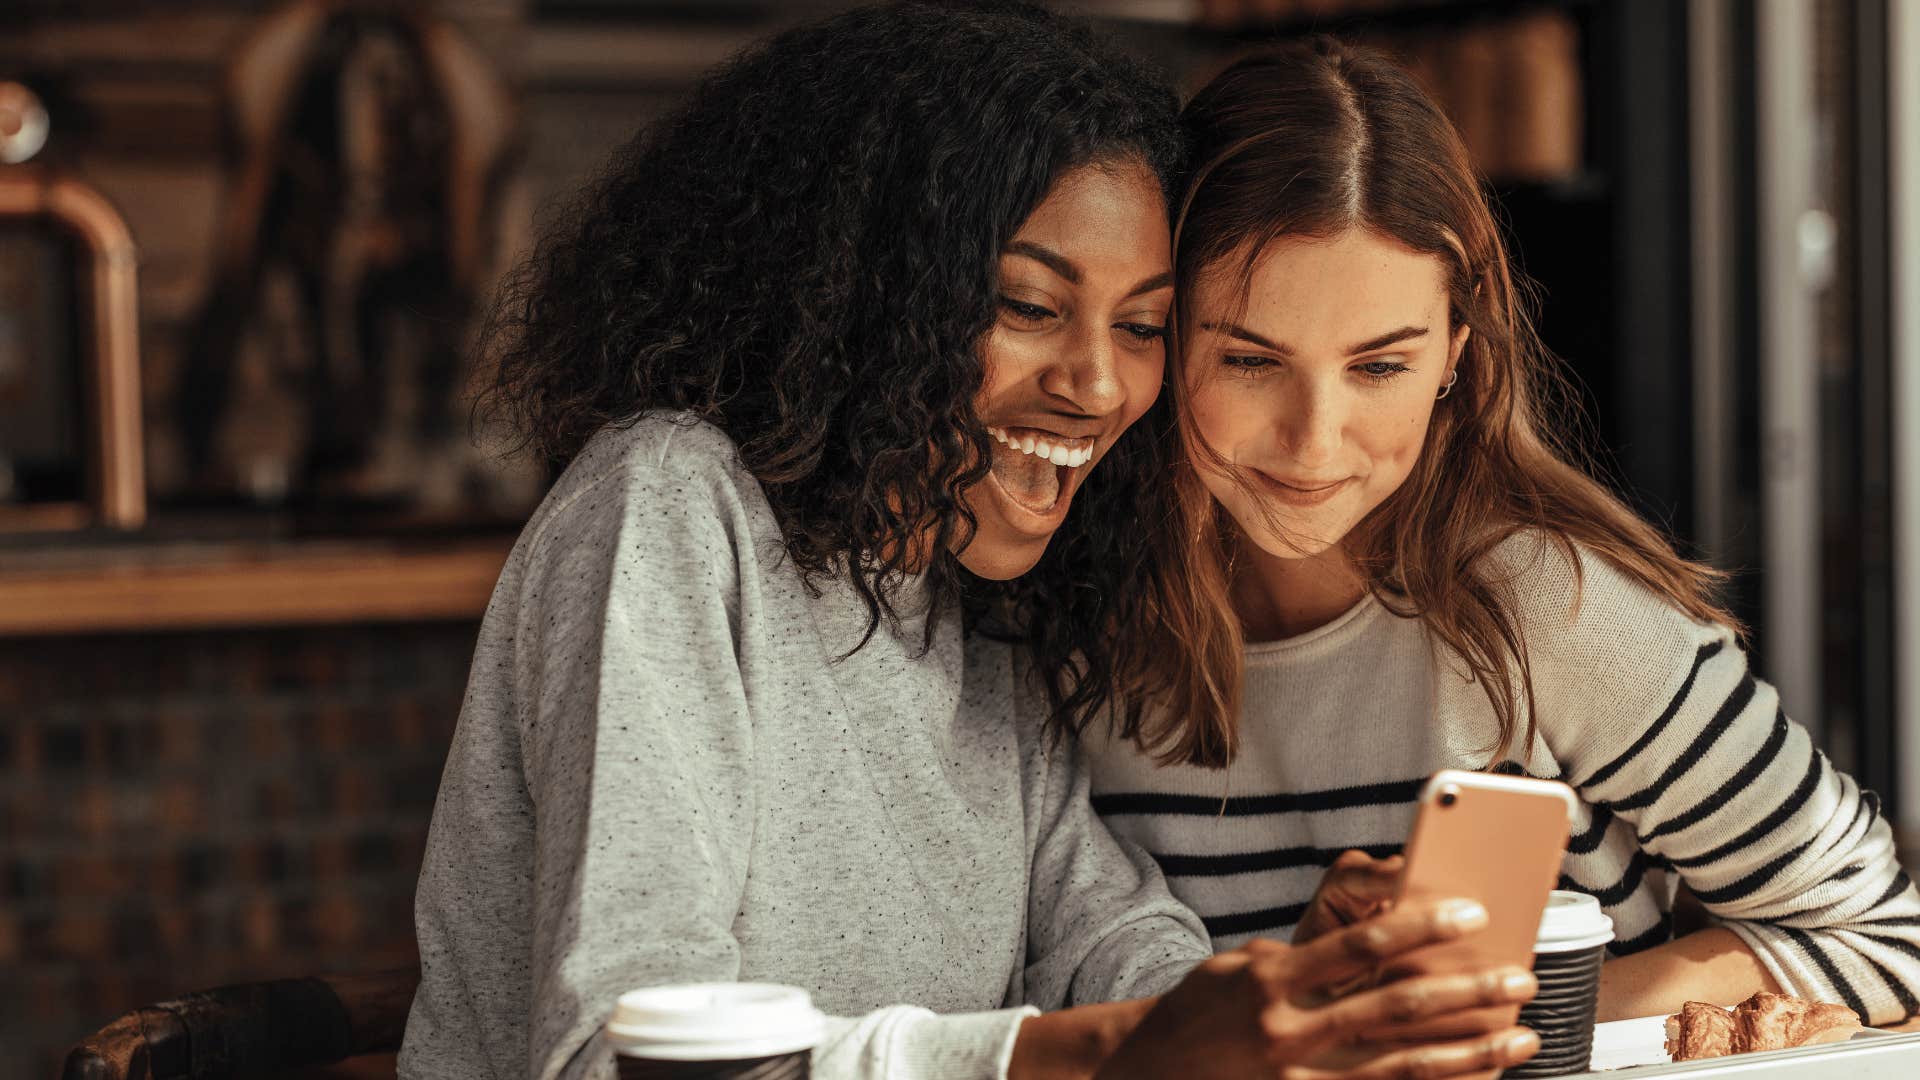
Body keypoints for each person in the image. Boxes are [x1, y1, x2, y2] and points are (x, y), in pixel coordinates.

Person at [400, 8, 1542, 1080]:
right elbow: (621, 1049)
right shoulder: (673, 507)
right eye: (1031, 307)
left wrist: (1288, 995)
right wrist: (1095, 1056)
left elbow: (1110, 941)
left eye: (1143, 327)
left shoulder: (975, 600)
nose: (1099, 383)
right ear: (860, 297)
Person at [1082, 37, 1920, 1026]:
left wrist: (1536, 1012)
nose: (1315, 443)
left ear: (1453, 359)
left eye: (1380, 366)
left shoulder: (1546, 612)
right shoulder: (1072, 638)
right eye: (1252, 362)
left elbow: (1886, 939)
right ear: (1160, 337)